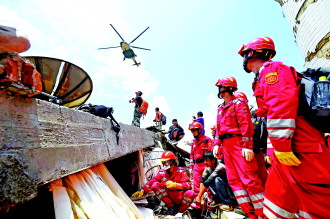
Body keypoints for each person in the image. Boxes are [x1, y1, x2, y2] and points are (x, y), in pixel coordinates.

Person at [238, 36, 330, 218]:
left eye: (245, 54)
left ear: (252, 53)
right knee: (277, 200)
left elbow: (280, 105)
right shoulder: (262, 76)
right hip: (286, 150)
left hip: (302, 146)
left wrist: (281, 146)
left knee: (319, 201)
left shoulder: (273, 69)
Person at [213, 76, 266, 219]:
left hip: (238, 144)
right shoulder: (220, 108)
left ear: (229, 88)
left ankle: (262, 214)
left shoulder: (239, 103)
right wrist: (217, 144)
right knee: (234, 180)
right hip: (226, 146)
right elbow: (218, 129)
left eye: (222, 88)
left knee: (249, 179)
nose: (220, 92)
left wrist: (247, 146)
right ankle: (250, 213)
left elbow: (246, 125)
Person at [131, 151, 194, 215]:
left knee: (190, 193)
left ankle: (180, 211)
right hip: (169, 196)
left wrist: (176, 185)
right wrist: (143, 191)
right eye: (163, 162)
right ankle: (170, 206)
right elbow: (153, 181)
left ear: (172, 162)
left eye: (166, 162)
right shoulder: (162, 172)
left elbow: (189, 185)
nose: (164, 164)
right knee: (155, 185)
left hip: (179, 196)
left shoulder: (181, 171)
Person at [235, 91, 268, 188]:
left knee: (263, 177)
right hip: (243, 155)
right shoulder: (233, 121)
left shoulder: (256, 117)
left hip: (257, 152)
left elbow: (264, 133)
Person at [188, 121, 213, 194]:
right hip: (197, 166)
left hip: (205, 165)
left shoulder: (207, 140)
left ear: (199, 130)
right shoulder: (193, 142)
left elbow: (210, 154)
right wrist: (191, 168)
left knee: (207, 184)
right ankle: (198, 202)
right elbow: (192, 155)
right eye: (192, 131)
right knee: (196, 185)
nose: (193, 132)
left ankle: (209, 201)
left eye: (194, 130)